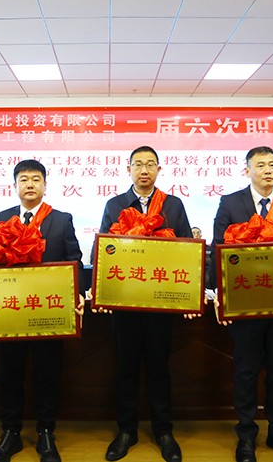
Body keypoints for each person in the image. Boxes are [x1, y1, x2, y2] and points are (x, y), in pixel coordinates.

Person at [211, 146, 273, 462]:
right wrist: (218, 295)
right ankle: (246, 436)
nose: (268, 170)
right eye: (261, 165)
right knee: (246, 370)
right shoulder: (230, 202)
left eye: (272, 165)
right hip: (245, 303)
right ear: (247, 171)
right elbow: (218, 250)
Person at [0, 160, 83, 462]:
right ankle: (10, 432)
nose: (30, 184)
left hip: (47, 311)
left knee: (47, 374)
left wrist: (78, 294)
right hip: (11, 311)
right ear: (14, 186)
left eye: (36, 179)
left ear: (45, 185)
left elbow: (75, 260)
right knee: (9, 374)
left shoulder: (61, 220)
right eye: (24, 179)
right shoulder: (2, 218)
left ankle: (46, 433)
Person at [98, 146, 191, 462]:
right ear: (128, 170)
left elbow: (186, 249)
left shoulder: (173, 205)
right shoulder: (115, 204)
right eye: (138, 164)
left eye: (150, 164)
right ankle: (126, 430)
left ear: (159, 169)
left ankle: (164, 431)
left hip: (160, 302)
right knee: (125, 368)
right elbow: (105, 250)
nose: (144, 170)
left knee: (159, 368)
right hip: (125, 302)